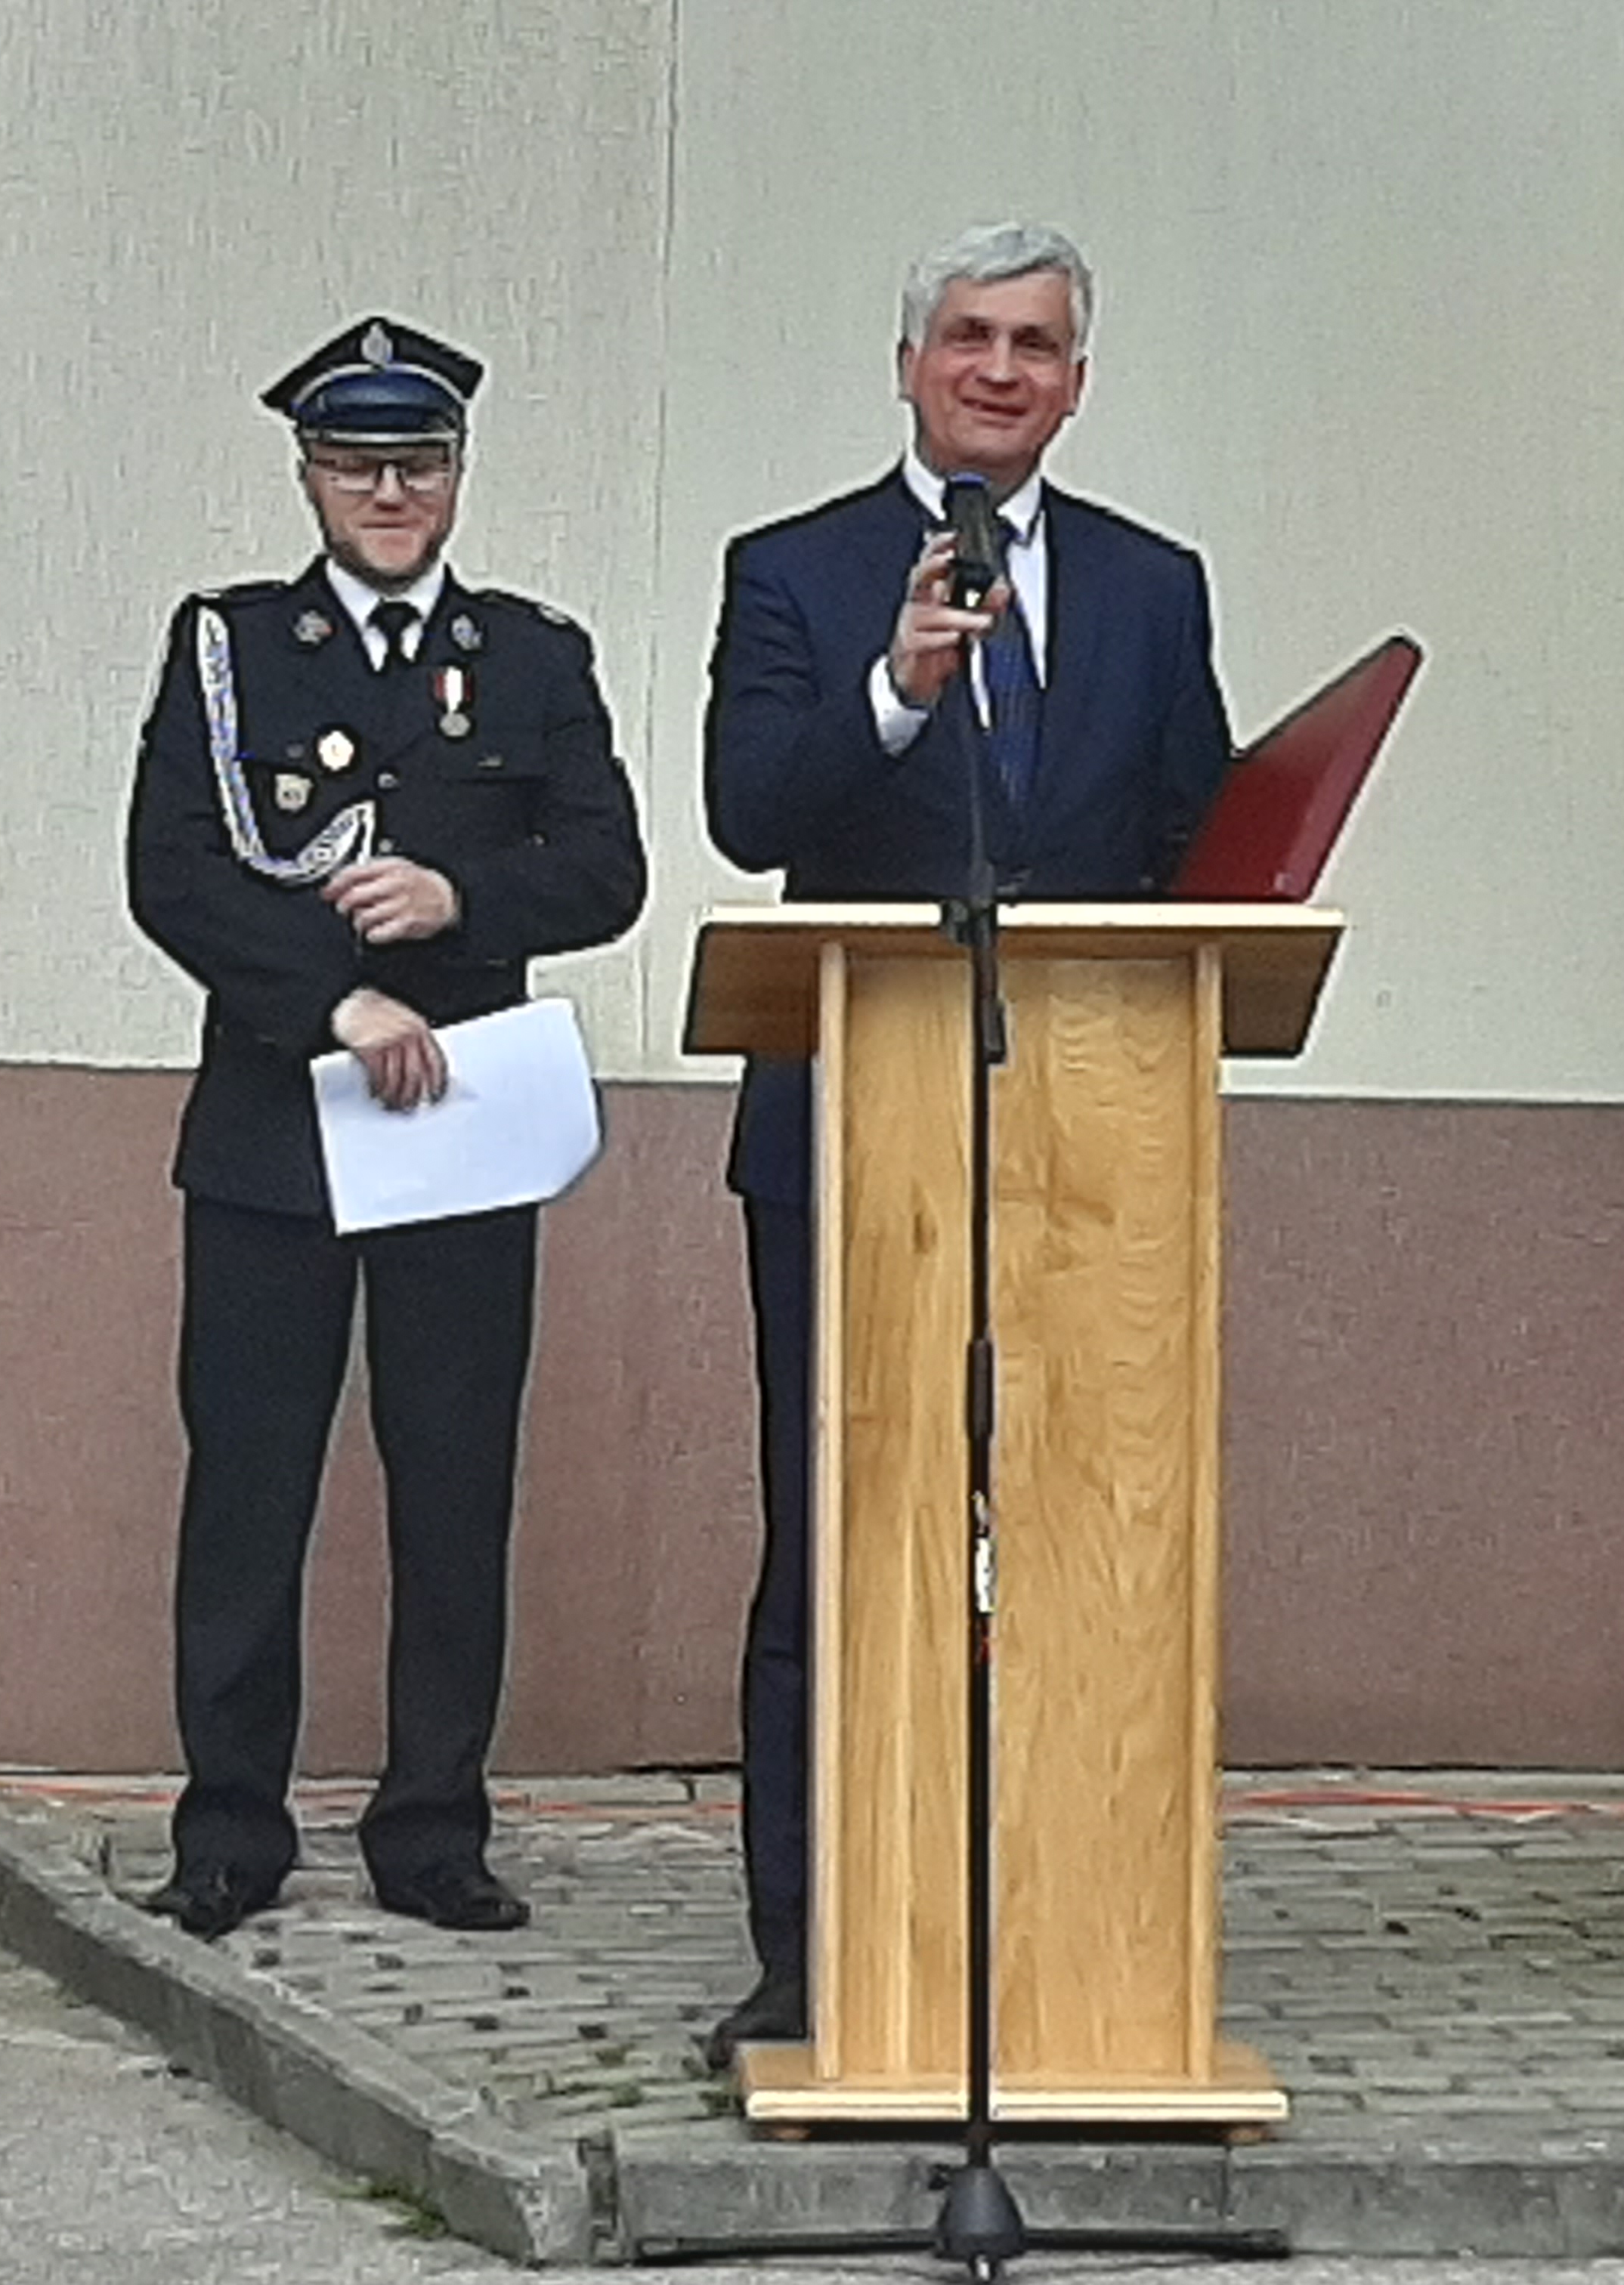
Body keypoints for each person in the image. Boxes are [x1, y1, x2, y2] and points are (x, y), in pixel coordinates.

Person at [698, 224, 1234, 2063]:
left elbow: (1193, 854)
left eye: (1037, 346)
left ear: (1077, 384)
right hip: (856, 1137)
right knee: (841, 1545)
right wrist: (899, 689)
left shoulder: (1154, 588)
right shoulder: (796, 570)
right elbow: (749, 811)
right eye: (970, 338)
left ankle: (1061, 1938)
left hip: (1089, 1151)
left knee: (1083, 1538)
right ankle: (814, 1951)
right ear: (911, 364)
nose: (1001, 370)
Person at [126, 317, 647, 1943]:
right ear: (310, 478)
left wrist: (460, 895)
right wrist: (333, 1001)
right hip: (278, 1130)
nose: (391, 493)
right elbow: (172, 872)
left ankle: (432, 1829)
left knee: (453, 1484)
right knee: (249, 1490)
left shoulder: (533, 657)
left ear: (458, 475)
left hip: (459, 1135)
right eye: (358, 467)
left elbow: (608, 871)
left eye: (419, 465)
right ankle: (230, 1828)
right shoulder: (232, 647)